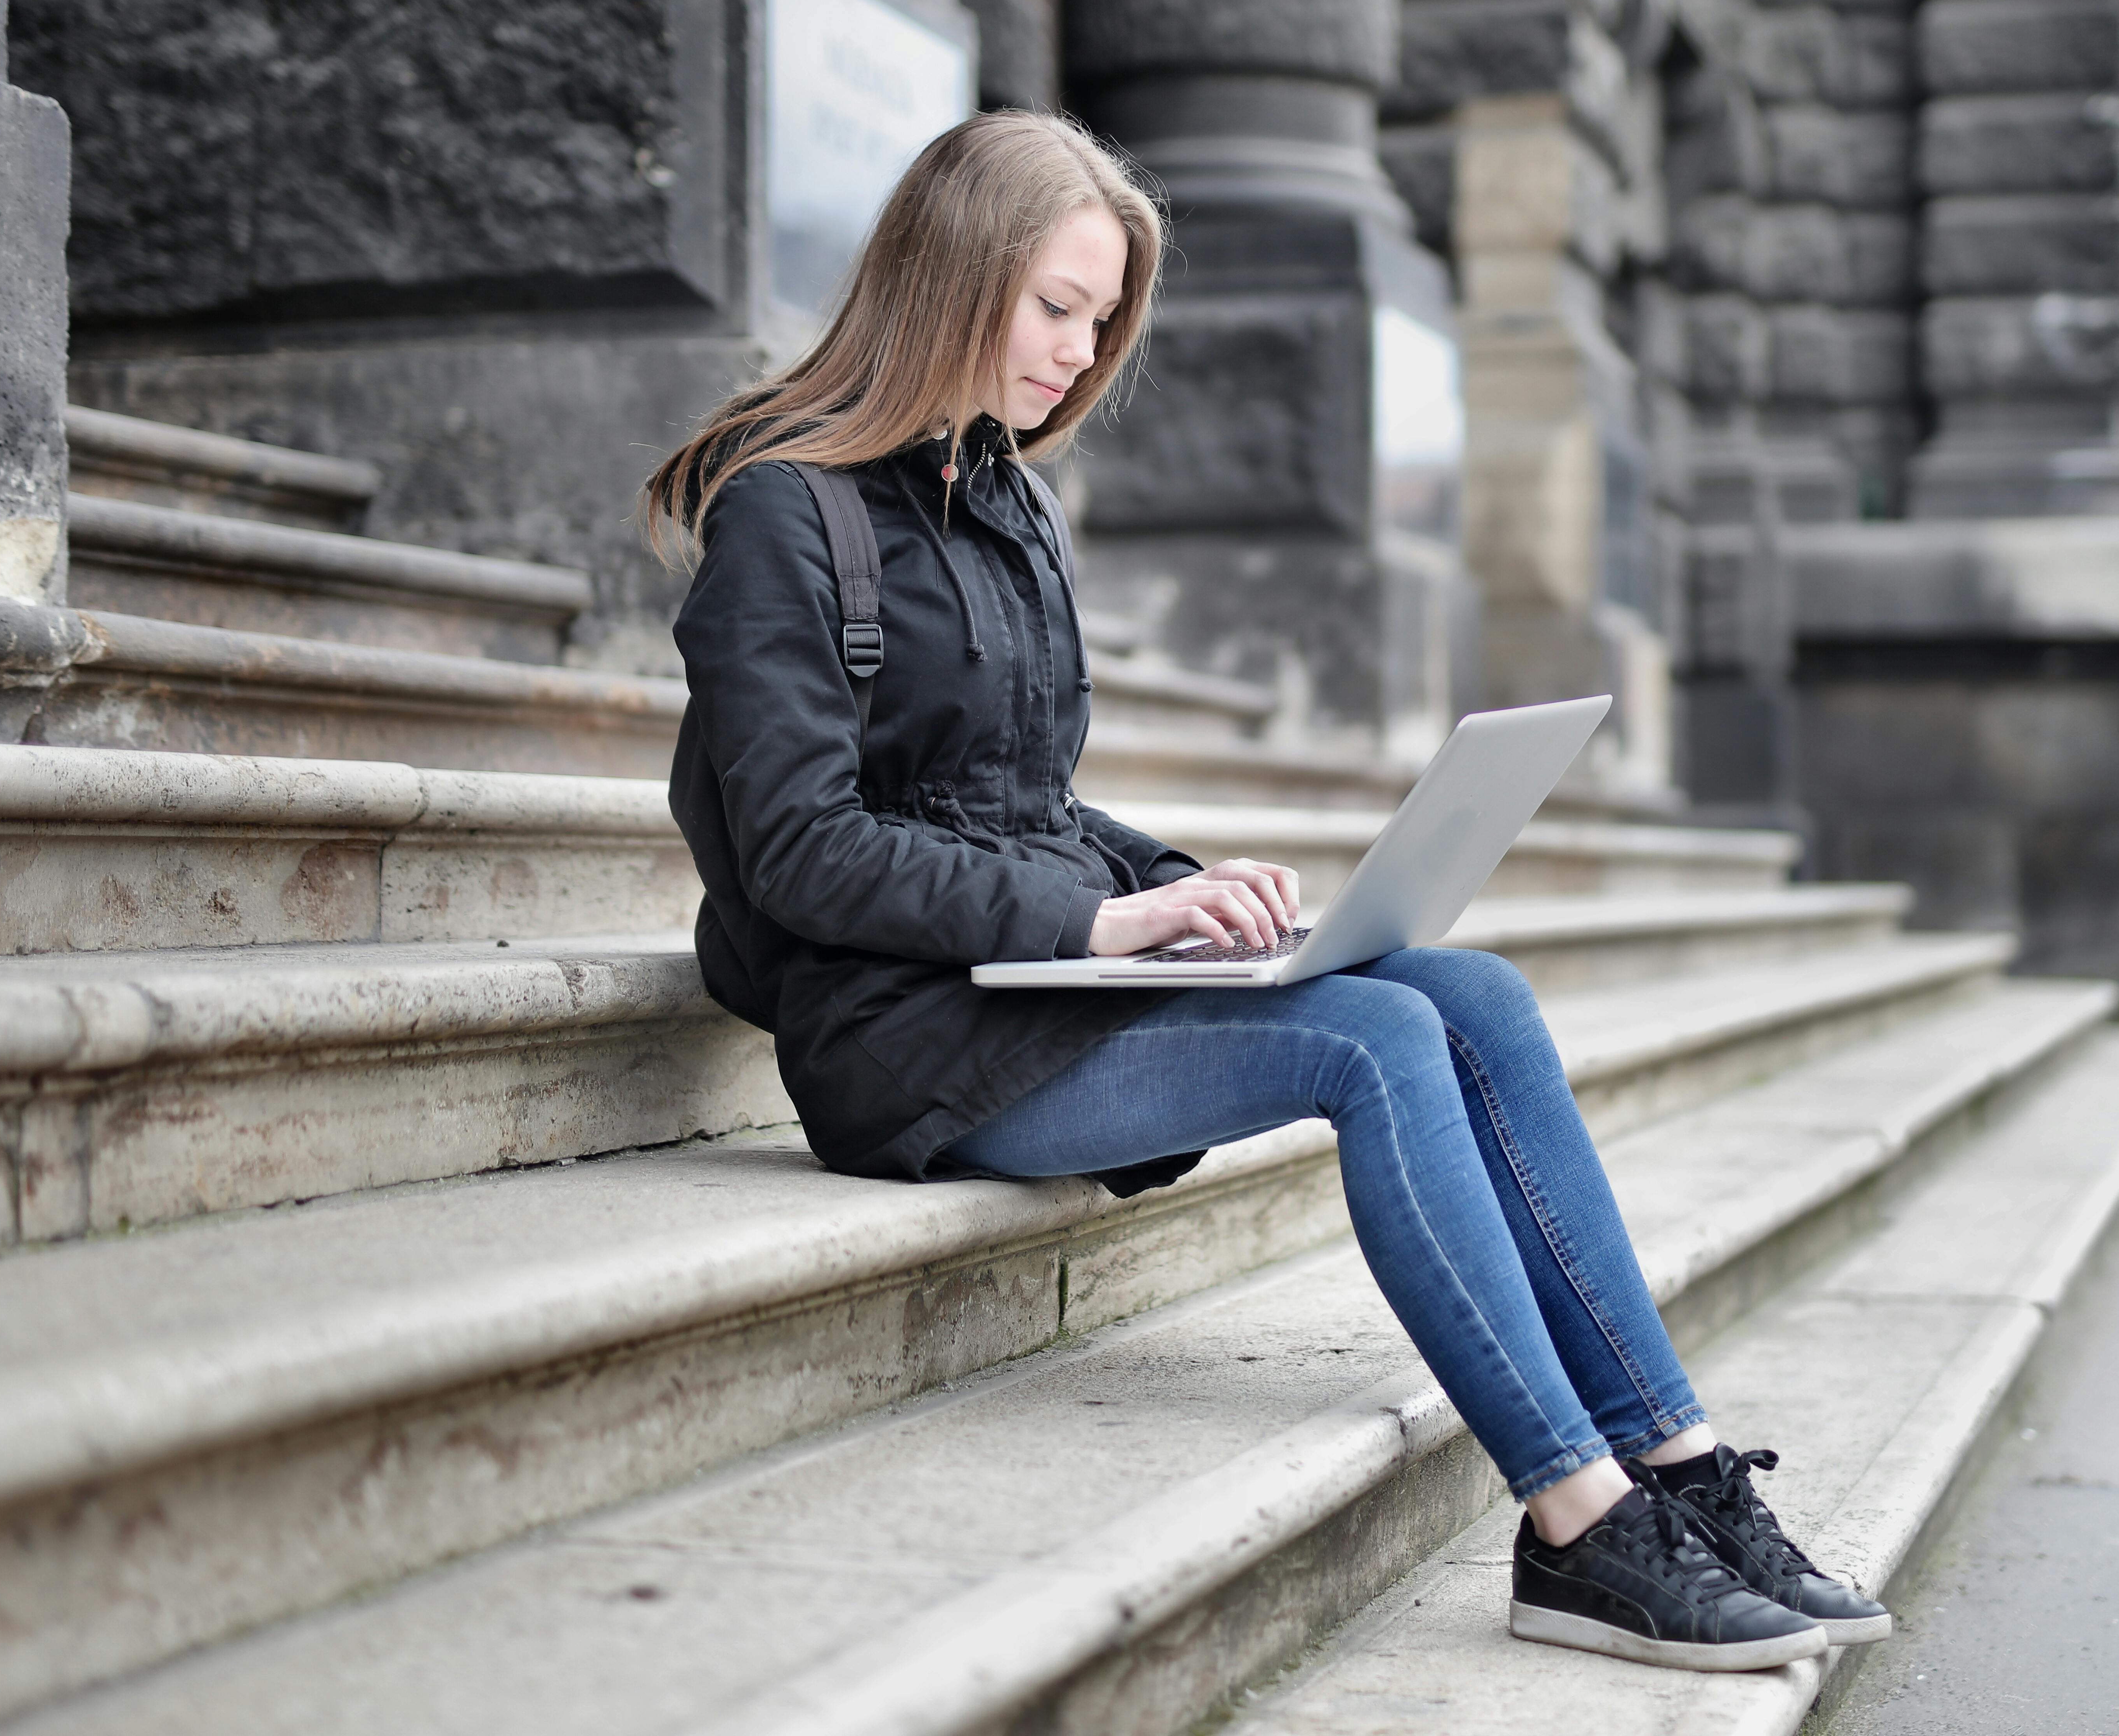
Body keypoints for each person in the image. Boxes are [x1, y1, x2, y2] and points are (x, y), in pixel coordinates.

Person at [644, 109, 1889, 1672]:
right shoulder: (786, 508)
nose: (1077, 353)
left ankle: (1684, 1467)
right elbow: (801, 848)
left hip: (1034, 986)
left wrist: (1180, 885)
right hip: (904, 1038)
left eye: (1098, 321)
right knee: (1369, 1040)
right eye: (1054, 307)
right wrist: (1095, 924)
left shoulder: (1005, 499)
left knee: (1475, 994)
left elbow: (1019, 798)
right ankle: (1578, 1525)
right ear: (952, 274)